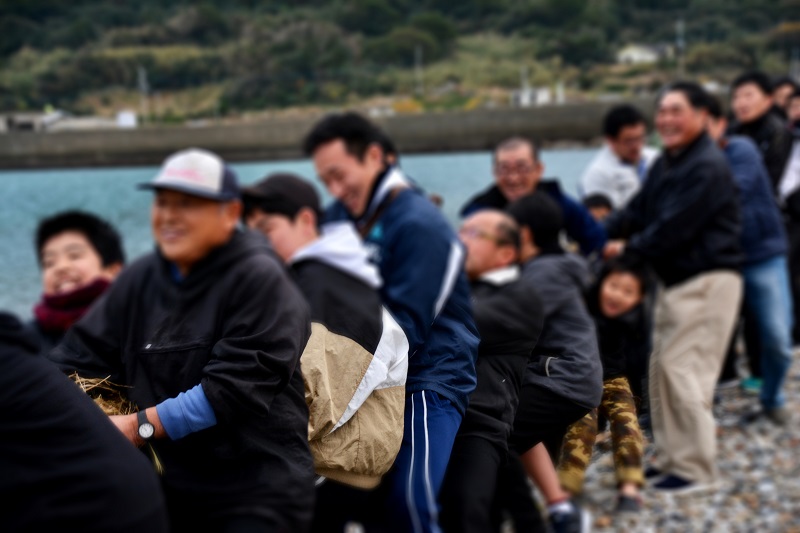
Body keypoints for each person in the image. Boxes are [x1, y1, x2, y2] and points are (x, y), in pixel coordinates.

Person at [48, 148, 315, 532]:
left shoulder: (260, 279)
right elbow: (75, 357)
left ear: (230, 214)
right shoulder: (141, 279)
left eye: (188, 204)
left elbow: (233, 390)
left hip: (257, 492)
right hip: (173, 491)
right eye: (163, 202)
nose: (169, 215)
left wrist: (137, 427)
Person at [304, 113, 480, 533]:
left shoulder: (421, 224)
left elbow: (402, 333)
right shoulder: (339, 215)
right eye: (324, 180)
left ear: (375, 156)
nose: (334, 189)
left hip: (428, 373)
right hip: (359, 365)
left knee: (409, 503)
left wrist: (333, 402)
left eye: (339, 175)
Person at [241, 172, 410, 530]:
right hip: (312, 464)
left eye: (266, 231)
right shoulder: (303, 279)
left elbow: (312, 399)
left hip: (331, 475)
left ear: (305, 221)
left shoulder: (331, 287)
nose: (255, 245)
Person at [604, 81, 743, 493]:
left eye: (676, 110)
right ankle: (670, 459)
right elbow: (636, 211)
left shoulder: (706, 166)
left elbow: (671, 231)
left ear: (703, 115)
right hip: (675, 283)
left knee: (685, 373)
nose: (665, 119)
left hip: (706, 280)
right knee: (661, 372)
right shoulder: (669, 162)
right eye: (661, 110)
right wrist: (595, 233)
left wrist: (623, 250)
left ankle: (698, 469)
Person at [0, 311, 169, 533]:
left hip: (106, 508)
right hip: (124, 491)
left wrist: (136, 427)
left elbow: (223, 390)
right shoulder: (35, 341)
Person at [493, 192, 602, 533]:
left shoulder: (545, 272)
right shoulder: (546, 268)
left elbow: (504, 324)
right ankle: (560, 510)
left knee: (495, 434)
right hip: (560, 374)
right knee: (514, 432)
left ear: (523, 234)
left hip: (563, 378)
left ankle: (529, 523)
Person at [439, 209, 544, 533]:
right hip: (437, 415)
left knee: (463, 508)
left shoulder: (520, 295)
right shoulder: (465, 287)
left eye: (473, 234)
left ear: (506, 253)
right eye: (461, 230)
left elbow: (450, 325)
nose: (460, 239)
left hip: (478, 423)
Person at [706, 96, 794, 425]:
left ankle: (772, 395)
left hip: (761, 254)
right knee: (710, 337)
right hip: (718, 260)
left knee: (777, 338)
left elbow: (736, 188)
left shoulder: (739, 148)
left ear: (719, 123)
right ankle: (701, 403)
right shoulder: (679, 163)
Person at [557, 259, 651, 514]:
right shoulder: (582, 307)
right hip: (580, 378)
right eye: (613, 285)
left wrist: (639, 400)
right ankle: (567, 488)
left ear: (639, 298)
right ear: (601, 283)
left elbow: (638, 363)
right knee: (580, 426)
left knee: (627, 422)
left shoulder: (636, 322)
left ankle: (629, 488)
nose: (617, 295)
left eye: (628, 292)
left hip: (615, 378)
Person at [460, 137, 607, 257]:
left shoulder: (558, 201)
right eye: (504, 170)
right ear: (494, 172)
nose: (513, 178)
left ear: (539, 170)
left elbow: (595, 239)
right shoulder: (480, 212)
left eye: (522, 168)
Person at [29, 210, 125, 353]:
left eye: (74, 256)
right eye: (49, 263)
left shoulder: (137, 324)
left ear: (114, 270)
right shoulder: (25, 341)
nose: (61, 267)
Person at [579, 104, 659, 209]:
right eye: (629, 141)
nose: (636, 146)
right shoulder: (598, 174)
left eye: (640, 138)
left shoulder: (656, 158)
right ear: (610, 140)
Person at [728, 71, 794, 192]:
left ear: (768, 99)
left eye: (748, 96)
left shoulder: (780, 133)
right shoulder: (731, 129)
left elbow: (773, 180)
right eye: (736, 97)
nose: (741, 103)